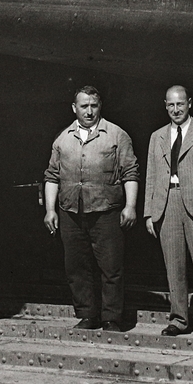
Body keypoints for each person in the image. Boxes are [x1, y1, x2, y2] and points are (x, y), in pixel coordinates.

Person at [43, 86, 140, 331]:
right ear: (74, 108)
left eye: (93, 106)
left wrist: (130, 206)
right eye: (83, 106)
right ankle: (87, 315)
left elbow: (130, 172)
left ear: (100, 106)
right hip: (71, 212)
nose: (89, 111)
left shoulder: (117, 135)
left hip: (106, 211)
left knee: (111, 267)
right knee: (76, 266)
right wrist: (50, 210)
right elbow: (52, 176)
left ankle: (111, 318)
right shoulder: (63, 138)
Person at [143, 86, 193, 339]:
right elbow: (152, 176)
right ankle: (178, 318)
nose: (176, 110)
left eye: (180, 104)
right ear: (165, 106)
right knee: (174, 265)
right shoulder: (157, 136)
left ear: (189, 103)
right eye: (170, 105)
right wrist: (149, 212)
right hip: (167, 203)